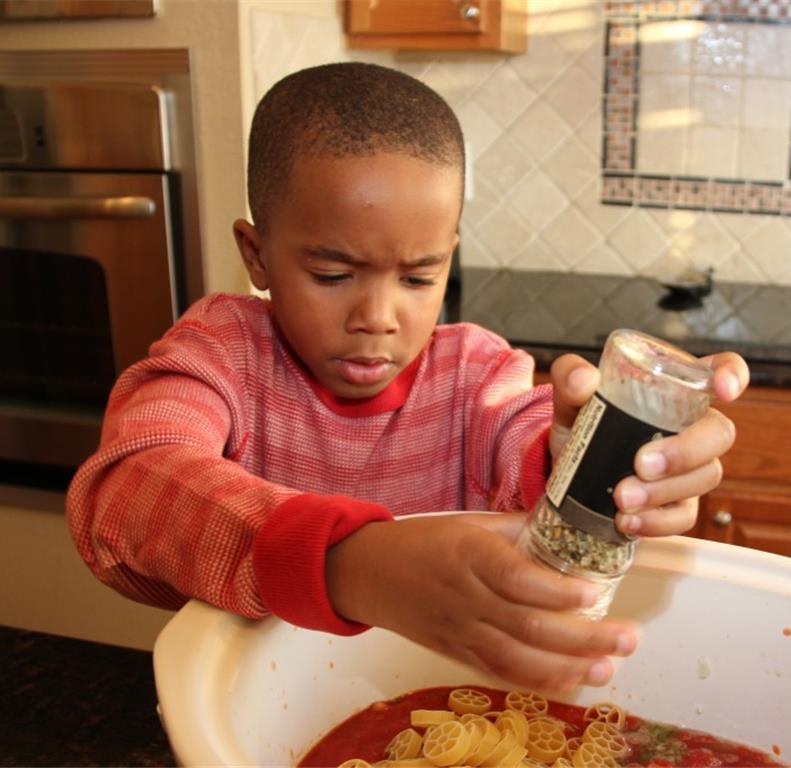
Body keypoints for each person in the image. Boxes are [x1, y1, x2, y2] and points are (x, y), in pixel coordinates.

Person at [66, 62, 748, 692]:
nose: (377, 317)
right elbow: (125, 487)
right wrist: (352, 565)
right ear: (258, 254)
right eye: (332, 275)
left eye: (419, 277)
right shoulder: (220, 355)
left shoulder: (477, 374)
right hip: (256, 700)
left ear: (449, 256)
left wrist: (587, 461)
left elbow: (526, 439)